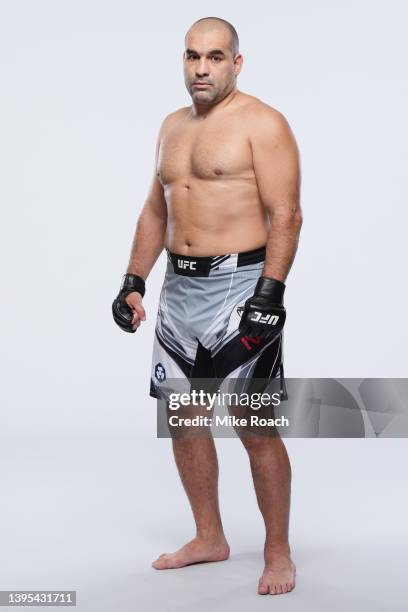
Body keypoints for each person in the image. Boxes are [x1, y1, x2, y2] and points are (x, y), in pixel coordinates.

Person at [112, 16, 302, 596]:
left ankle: (276, 551)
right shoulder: (172, 127)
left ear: (236, 63)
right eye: (193, 56)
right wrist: (132, 280)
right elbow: (155, 211)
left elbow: (286, 214)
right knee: (185, 421)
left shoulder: (263, 124)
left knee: (255, 425)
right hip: (177, 290)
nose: (201, 68)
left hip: (241, 285)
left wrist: (271, 293)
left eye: (215, 57)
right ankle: (209, 537)